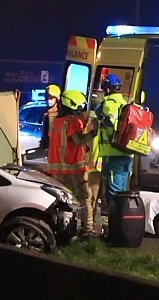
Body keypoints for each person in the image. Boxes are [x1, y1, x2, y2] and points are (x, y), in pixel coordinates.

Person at [46, 90, 97, 235]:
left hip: (57, 169)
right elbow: (78, 140)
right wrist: (92, 133)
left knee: (65, 200)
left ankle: (66, 229)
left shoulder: (56, 121)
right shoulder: (72, 121)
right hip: (74, 168)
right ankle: (87, 229)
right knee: (84, 197)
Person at [96, 74, 132, 208]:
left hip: (113, 153)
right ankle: (123, 218)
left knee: (114, 192)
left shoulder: (108, 104)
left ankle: (115, 221)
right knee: (122, 190)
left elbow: (111, 126)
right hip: (128, 154)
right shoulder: (125, 103)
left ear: (107, 90)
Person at [39, 84, 61, 150]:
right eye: (47, 98)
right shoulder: (46, 113)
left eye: (51, 98)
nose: (48, 100)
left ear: (57, 99)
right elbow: (45, 134)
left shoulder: (61, 115)